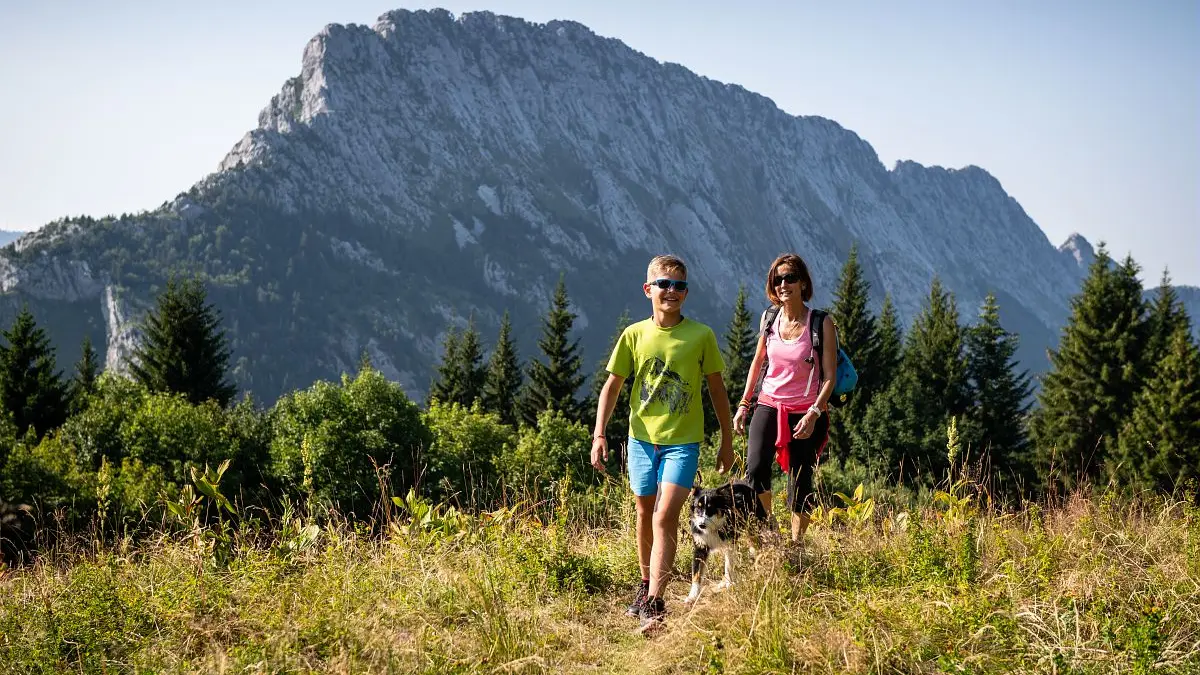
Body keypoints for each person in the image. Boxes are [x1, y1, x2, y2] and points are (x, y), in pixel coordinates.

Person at [591, 254, 734, 635]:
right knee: (644, 513)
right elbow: (613, 386)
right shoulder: (634, 335)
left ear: (686, 293)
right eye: (664, 284)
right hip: (640, 440)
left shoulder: (701, 336)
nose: (672, 291)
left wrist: (727, 438)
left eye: (679, 286)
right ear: (648, 289)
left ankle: (655, 603)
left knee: (665, 517)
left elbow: (717, 389)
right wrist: (599, 433)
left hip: (683, 444)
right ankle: (644, 587)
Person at [733, 253, 837, 544]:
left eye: (790, 277)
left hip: (806, 411)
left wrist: (815, 412)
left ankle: (796, 546)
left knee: (800, 483)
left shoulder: (821, 322)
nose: (783, 284)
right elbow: (757, 364)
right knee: (755, 470)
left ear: (803, 282)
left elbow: (829, 376)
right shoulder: (769, 318)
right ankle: (769, 534)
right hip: (768, 404)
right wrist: (744, 403)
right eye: (777, 279)